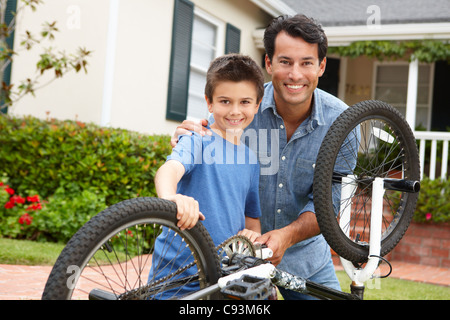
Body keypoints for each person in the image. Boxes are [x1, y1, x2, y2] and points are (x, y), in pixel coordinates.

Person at [171, 14, 350, 299]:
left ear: (321, 66)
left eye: (306, 63)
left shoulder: (344, 123)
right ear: (268, 63)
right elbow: (203, 148)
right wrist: (188, 134)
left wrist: (286, 236)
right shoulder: (241, 110)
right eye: (285, 62)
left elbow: (329, 203)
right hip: (236, 257)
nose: (295, 75)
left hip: (305, 257)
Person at [148, 54, 264, 298]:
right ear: (209, 103)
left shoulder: (251, 161)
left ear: (257, 104)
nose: (234, 111)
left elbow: (251, 222)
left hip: (221, 279)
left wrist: (252, 235)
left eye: (244, 102)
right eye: (224, 101)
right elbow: (168, 170)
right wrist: (172, 198)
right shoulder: (197, 138)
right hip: (176, 279)